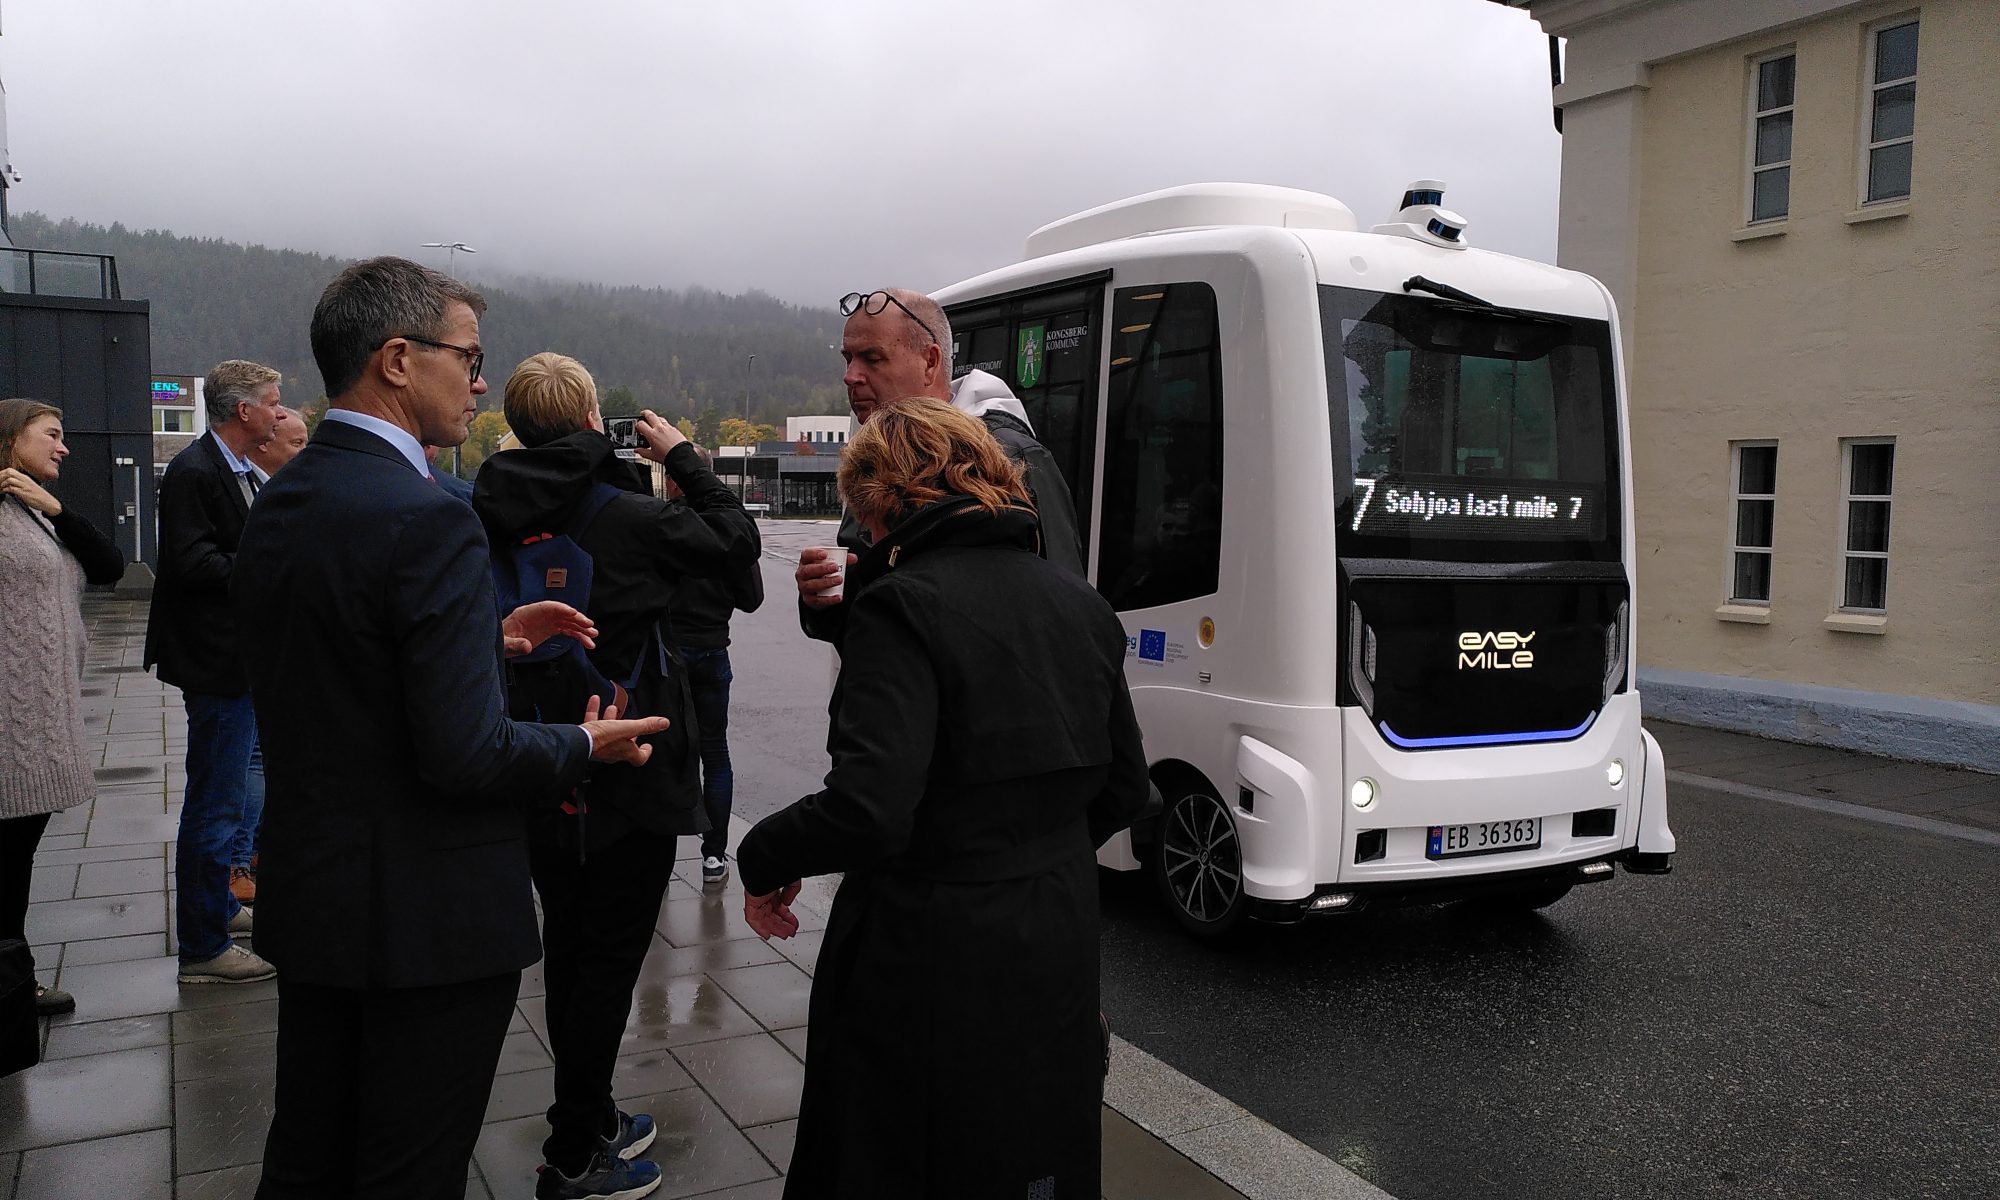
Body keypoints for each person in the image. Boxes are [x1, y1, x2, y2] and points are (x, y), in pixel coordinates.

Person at [233, 257, 670, 1200]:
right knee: (406, 1169)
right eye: (468, 359)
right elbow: (468, 752)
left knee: (309, 1155)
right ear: (398, 359)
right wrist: (585, 744)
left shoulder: (288, 498)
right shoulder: (427, 517)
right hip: (424, 925)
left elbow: (343, 663)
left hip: (316, 900)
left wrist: (489, 640)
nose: (480, 382)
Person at [738, 399, 1151, 1198]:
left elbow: (870, 804)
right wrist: (1035, 847)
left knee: (907, 1149)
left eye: (862, 513)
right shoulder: (1081, 604)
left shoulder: (901, 605)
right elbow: (1125, 786)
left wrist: (763, 856)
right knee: (1034, 1145)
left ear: (887, 497)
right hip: (1058, 931)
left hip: (930, 943)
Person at [473, 352, 758, 1199]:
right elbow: (736, 544)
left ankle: (590, 1111)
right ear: (595, 419)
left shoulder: (489, 505)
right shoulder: (630, 513)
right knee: (606, 962)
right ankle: (573, 1154)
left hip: (540, 753)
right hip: (628, 758)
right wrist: (681, 458)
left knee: (570, 949)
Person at [794, 287, 1084, 647]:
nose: (851, 376)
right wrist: (820, 600)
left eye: (872, 358)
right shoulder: (871, 460)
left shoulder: (1011, 455)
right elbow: (865, 613)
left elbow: (1068, 610)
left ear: (930, 361)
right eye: (848, 358)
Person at [144, 358, 286, 985]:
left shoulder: (230, 469)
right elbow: (190, 561)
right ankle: (203, 948)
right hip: (215, 663)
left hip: (235, 659)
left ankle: (220, 910)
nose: (281, 412)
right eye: (274, 402)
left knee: (224, 798)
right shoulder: (195, 471)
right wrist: (268, 565)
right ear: (244, 411)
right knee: (215, 805)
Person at [0, 399, 125, 1017]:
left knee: (15, 855)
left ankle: (13, 975)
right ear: (10, 439)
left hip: (42, 714)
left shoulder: (37, 512)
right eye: (51, 434)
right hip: (11, 718)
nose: (63, 447)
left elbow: (108, 567)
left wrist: (57, 510)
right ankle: (12, 981)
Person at [664, 454, 766, 886]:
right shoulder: (729, 529)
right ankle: (714, 856)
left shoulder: (664, 524)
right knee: (715, 755)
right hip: (712, 650)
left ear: (674, 482)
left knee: (666, 756)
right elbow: (752, 597)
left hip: (668, 655)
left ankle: (663, 858)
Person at [232, 405, 308, 908]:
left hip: (268, 649)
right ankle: (240, 862)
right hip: (250, 654)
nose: (305, 454)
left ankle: (250, 854)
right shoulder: (265, 496)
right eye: (297, 444)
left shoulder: (268, 492)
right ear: (266, 445)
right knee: (250, 761)